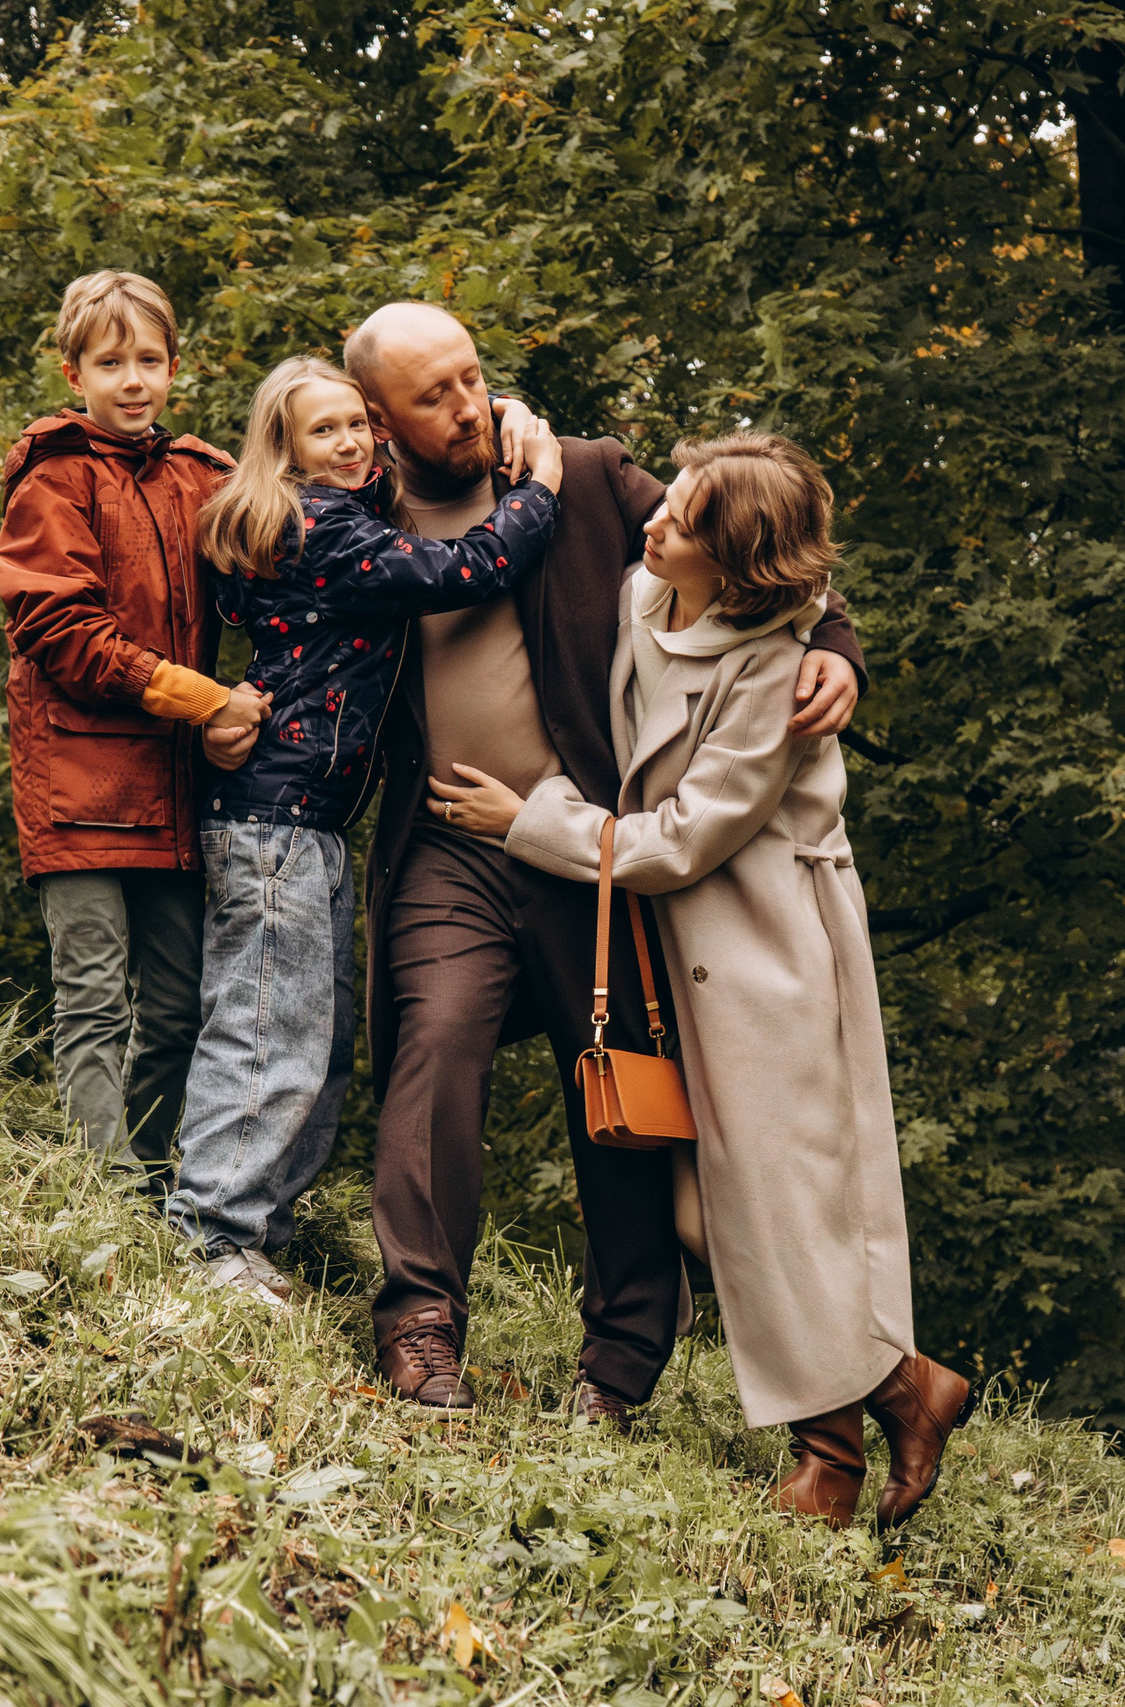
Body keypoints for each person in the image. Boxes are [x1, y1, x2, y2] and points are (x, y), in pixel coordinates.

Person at [433, 434, 973, 1532]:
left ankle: (831, 1456)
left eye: (679, 522)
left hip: (767, 945)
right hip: (673, 949)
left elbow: (682, 841)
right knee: (701, 1211)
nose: (652, 524)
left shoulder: (777, 670)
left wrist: (523, 819)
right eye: (668, 505)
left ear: (730, 565)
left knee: (779, 1198)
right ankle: (904, 1387)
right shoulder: (648, 596)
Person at [347, 303, 867, 1423]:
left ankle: (618, 1368)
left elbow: (764, 567)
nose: (467, 405)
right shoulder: (351, 519)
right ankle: (421, 1324)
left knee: (619, 1090)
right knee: (433, 1044)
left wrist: (836, 652)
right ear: (378, 421)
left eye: (471, 377)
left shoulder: (582, 479)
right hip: (446, 842)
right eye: (431, 396)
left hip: (591, 851)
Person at [168, 355, 565, 1307]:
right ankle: (212, 1234)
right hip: (274, 821)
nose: (350, 442)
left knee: (319, 1033)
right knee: (267, 1029)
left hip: (309, 823)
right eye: (325, 430)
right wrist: (541, 487)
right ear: (286, 450)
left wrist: (496, 411)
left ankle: (261, 1233)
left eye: (360, 424)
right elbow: (469, 566)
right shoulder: (321, 527)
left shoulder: (323, 516)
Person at [0, 271, 270, 1196]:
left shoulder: (202, 476)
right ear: (75, 372)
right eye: (111, 363)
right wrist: (202, 698)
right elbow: (61, 630)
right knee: (94, 997)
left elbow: (296, 523)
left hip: (173, 790)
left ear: (175, 366)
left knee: (183, 1002)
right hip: (74, 789)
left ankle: (149, 1184)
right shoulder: (55, 478)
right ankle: (97, 1198)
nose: (133, 379)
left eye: (149, 359)